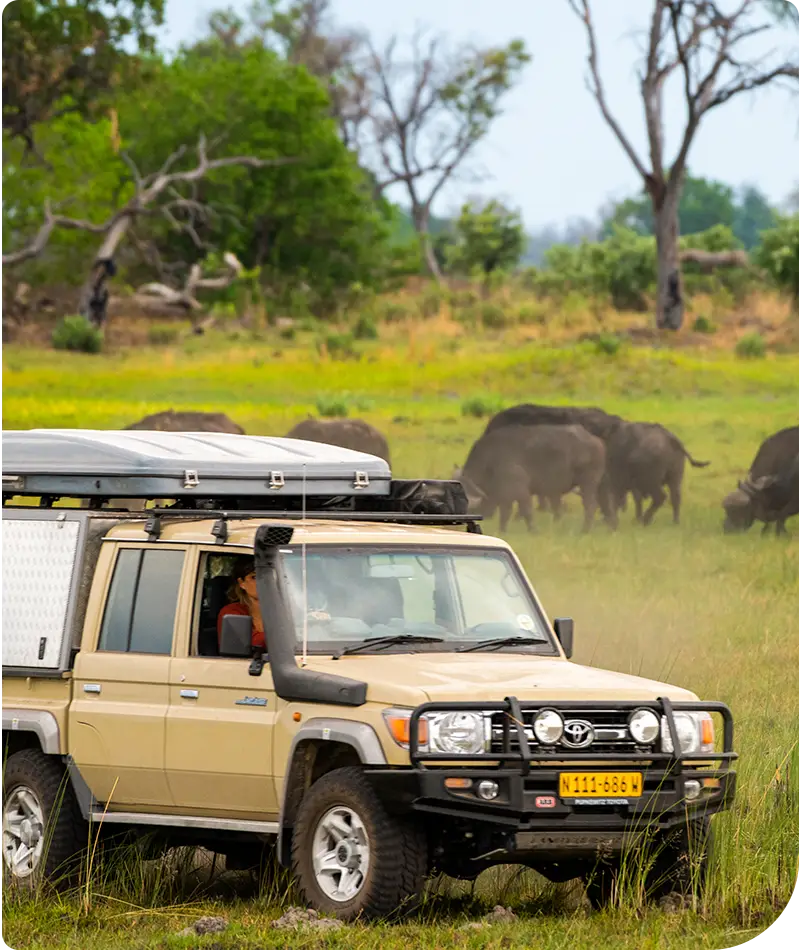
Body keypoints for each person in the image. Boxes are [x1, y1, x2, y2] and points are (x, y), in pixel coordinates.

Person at [217, 556, 265, 651]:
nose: (262, 581)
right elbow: (250, 643)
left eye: (268, 576)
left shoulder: (288, 610)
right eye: (254, 577)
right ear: (241, 583)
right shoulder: (232, 612)